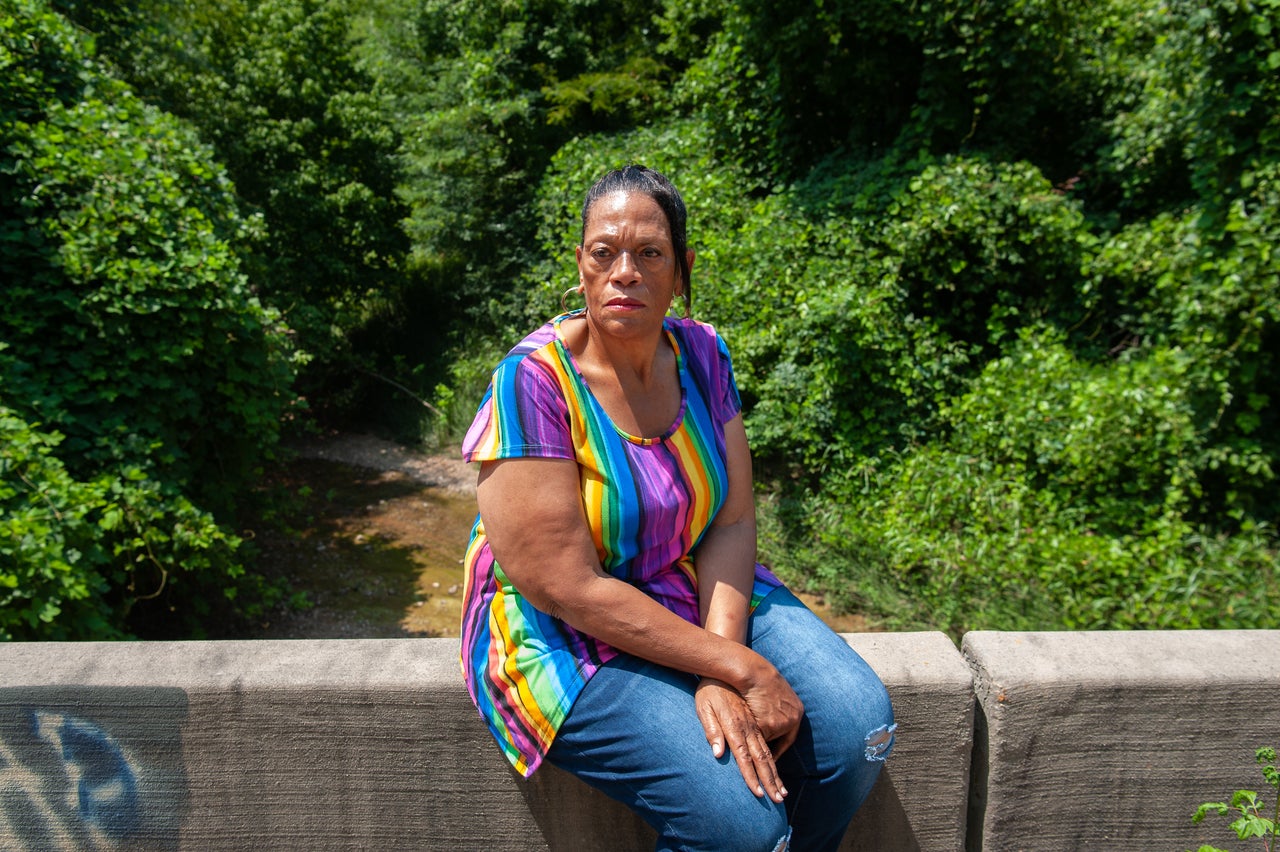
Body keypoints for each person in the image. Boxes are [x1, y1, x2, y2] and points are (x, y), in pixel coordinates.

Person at [460, 165, 895, 852]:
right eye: (603, 253)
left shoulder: (702, 353)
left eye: (649, 254)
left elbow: (732, 519)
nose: (623, 272)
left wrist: (714, 659)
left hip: (686, 579)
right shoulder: (532, 383)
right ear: (580, 267)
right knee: (740, 825)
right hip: (559, 630)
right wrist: (735, 669)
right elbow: (562, 584)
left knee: (858, 726)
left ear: (682, 270)